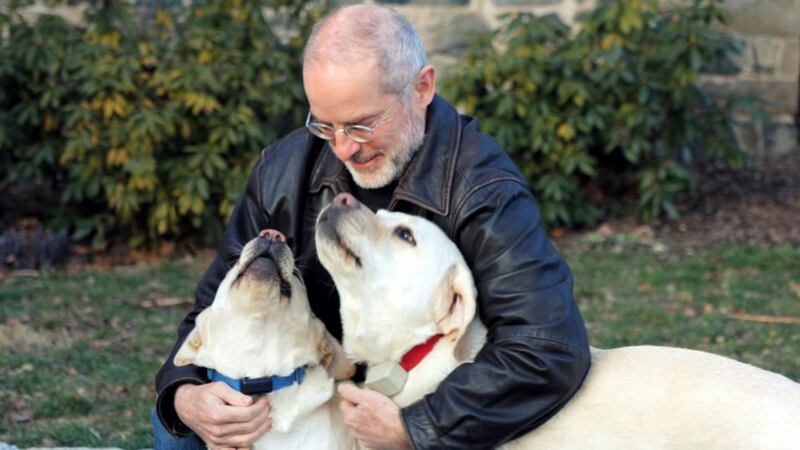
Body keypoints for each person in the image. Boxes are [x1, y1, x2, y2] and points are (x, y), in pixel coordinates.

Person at [153, 4, 590, 449]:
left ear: (422, 87)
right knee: (178, 434)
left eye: (361, 125)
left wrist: (417, 426)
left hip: (424, 395)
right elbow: (215, 300)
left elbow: (546, 348)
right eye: (325, 125)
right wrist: (184, 392)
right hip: (297, 394)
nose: (342, 148)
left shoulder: (483, 189)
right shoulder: (282, 172)